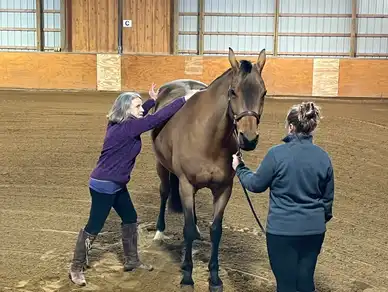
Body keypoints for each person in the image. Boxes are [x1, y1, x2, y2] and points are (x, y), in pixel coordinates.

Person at [69, 84, 194, 286]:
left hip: (117, 184)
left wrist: (151, 100)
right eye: (137, 107)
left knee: (130, 218)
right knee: (94, 226)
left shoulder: (118, 123)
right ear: (127, 110)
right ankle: (75, 267)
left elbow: (143, 114)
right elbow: (156, 119)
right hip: (104, 185)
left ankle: (132, 260)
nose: (142, 110)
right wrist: (184, 99)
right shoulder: (129, 127)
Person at [232, 101, 334, 292]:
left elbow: (255, 184)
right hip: (314, 231)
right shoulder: (323, 157)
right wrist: (315, 221)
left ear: (291, 127)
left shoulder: (276, 154)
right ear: (312, 127)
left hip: (282, 232)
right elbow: (327, 202)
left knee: (286, 285)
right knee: (306, 282)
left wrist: (240, 168)